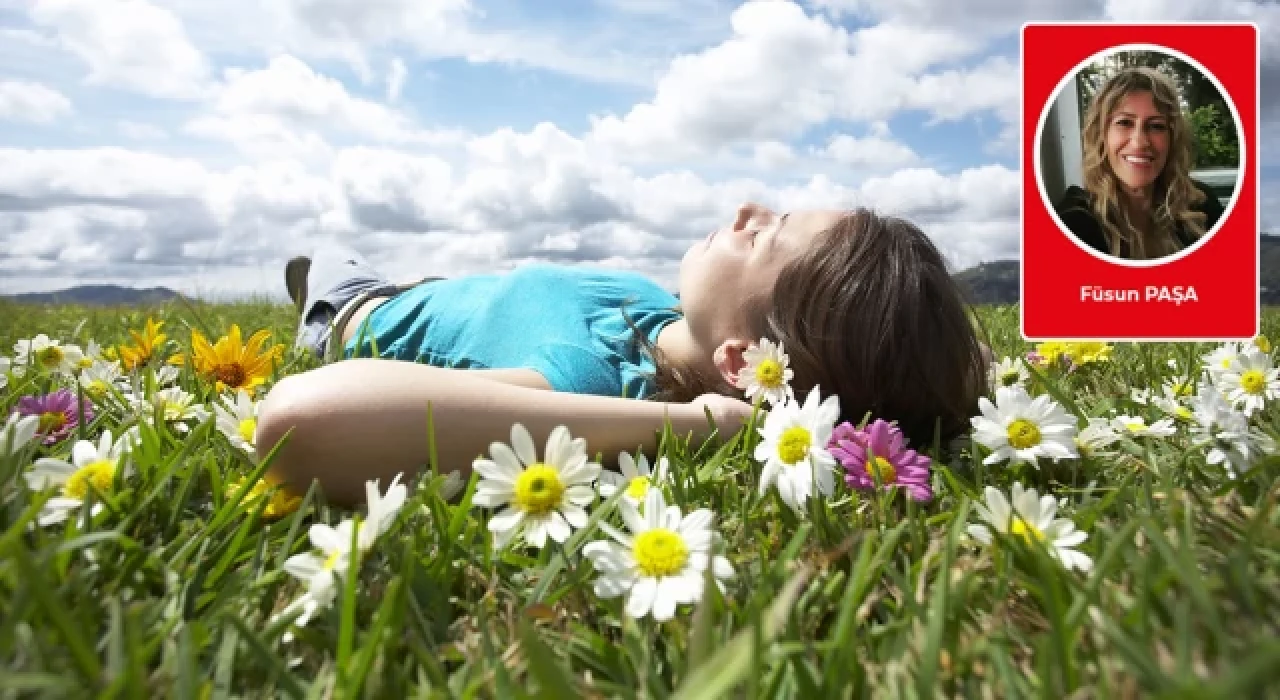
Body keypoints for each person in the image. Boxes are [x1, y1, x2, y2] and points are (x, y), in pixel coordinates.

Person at [256, 203, 990, 505]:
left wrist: (699, 424)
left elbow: (302, 422)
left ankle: (315, 292)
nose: (745, 210)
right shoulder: (668, 315)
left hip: (356, 309)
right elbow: (947, 358)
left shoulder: (584, 374)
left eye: (761, 236)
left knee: (327, 259)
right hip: (436, 289)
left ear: (742, 362)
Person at [1055, 66, 1225, 260]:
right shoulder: (1072, 223)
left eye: (1156, 126)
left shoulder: (1202, 205)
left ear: (1172, 139)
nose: (1140, 142)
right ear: (1101, 135)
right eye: (1124, 123)